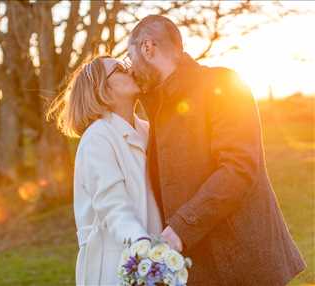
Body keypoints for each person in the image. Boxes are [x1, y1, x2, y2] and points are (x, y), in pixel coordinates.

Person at [126, 15, 306, 285]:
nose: (131, 69)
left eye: (131, 58)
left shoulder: (222, 84)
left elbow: (238, 169)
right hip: (198, 263)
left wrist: (180, 227)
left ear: (147, 48)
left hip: (242, 257)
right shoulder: (158, 107)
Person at [48, 56, 163, 285]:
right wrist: (143, 248)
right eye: (120, 68)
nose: (131, 70)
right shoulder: (97, 138)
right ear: (101, 90)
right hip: (116, 266)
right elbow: (114, 207)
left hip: (158, 261)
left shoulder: (150, 131)